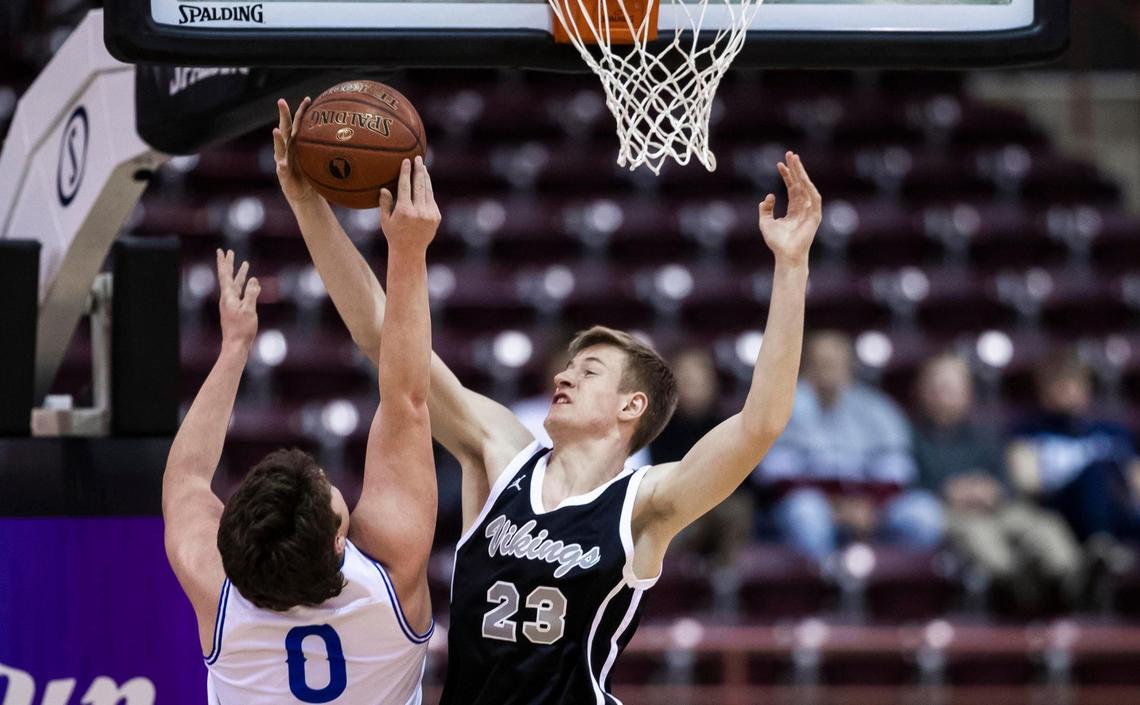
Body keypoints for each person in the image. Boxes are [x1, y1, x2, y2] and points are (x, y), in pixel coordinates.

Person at [275, 98, 818, 705]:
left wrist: (791, 265)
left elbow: (761, 423)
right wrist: (307, 205)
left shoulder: (644, 506)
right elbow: (383, 339)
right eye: (567, 365)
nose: (565, 377)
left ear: (631, 407)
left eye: (589, 371)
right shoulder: (501, 454)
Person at [163, 151, 440, 703]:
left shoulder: (215, 589)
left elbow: (189, 474)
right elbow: (404, 398)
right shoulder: (388, 579)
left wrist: (233, 349)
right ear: (340, 541)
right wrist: (408, 253)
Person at [913, 353, 1083, 613]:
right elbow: (907, 485)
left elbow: (1006, 481)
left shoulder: (986, 433)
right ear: (922, 392)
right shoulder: (911, 436)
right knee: (980, 536)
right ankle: (1022, 589)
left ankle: (1073, 583)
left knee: (1045, 526)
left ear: (968, 393)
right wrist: (946, 491)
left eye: (952, 387)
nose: (943, 394)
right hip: (949, 511)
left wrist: (993, 490)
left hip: (997, 507)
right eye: (937, 387)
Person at [756, 331, 944, 564]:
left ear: (850, 367)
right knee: (806, 513)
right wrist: (836, 506)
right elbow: (775, 472)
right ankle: (823, 588)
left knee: (925, 513)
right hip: (813, 504)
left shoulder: (877, 408)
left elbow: (897, 467)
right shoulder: (783, 407)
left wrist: (870, 506)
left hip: (870, 505)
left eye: (837, 363)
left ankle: (893, 589)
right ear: (805, 366)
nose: (829, 371)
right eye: (822, 363)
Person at [1008, 348, 1140, 543]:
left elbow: (1135, 478)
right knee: (1092, 474)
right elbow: (1027, 484)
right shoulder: (1028, 433)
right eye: (1058, 384)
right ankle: (1101, 543)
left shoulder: (1112, 432)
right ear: (1043, 390)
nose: (1067, 390)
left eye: (1073, 382)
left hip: (1119, 513)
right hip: (1063, 517)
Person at [651, 347, 753, 570]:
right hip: (674, 505)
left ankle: (727, 584)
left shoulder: (728, 425)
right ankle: (671, 579)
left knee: (736, 510)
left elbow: (746, 479)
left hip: (720, 504)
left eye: (699, 378)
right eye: (685, 378)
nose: (693, 385)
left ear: (713, 382)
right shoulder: (657, 428)